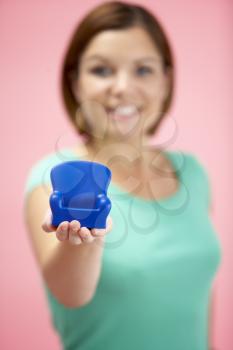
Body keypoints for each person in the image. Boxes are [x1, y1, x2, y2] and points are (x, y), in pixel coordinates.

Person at [23, 1, 222, 349]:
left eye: (143, 70)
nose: (122, 88)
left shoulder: (194, 174)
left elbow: (201, 298)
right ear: (75, 81)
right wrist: (82, 243)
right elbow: (70, 294)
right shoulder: (50, 180)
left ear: (166, 79)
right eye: (102, 70)